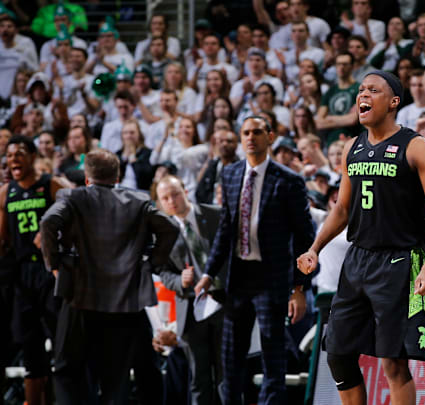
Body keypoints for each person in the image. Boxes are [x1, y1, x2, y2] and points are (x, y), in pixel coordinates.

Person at [297, 71, 425, 404]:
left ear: (393, 102)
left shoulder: (418, 147)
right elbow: (341, 210)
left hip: (400, 261)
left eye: (373, 90)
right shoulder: (352, 147)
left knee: (393, 363)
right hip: (358, 259)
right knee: (337, 353)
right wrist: (315, 248)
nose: (362, 95)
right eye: (360, 90)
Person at [40, 148, 178, 404]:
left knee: (67, 370)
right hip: (123, 303)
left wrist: (55, 264)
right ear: (117, 177)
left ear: (87, 178)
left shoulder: (71, 197)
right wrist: (150, 263)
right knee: (116, 378)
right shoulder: (139, 201)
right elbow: (170, 228)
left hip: (79, 298)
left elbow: (48, 223)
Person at [194, 116, 316, 404]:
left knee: (273, 358)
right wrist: (208, 273)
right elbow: (225, 229)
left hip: (272, 279)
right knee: (231, 360)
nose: (251, 137)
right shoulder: (232, 174)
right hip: (238, 279)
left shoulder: (290, 180)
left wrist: (299, 289)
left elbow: (304, 238)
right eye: (246, 132)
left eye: (258, 132)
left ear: (270, 136)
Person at [0, 136, 70, 405]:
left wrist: (52, 232)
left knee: (59, 340)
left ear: (32, 156)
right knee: (30, 347)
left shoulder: (50, 184)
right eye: (8, 155)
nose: (13, 159)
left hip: (48, 270)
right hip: (21, 274)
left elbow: (77, 210)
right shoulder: (7, 192)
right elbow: (3, 240)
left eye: (19, 153)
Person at [156, 175, 225, 405]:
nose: (172, 201)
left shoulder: (215, 214)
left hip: (223, 304)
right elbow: (164, 273)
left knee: (228, 377)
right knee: (199, 379)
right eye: (165, 198)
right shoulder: (162, 232)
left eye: (175, 194)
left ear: (185, 191)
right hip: (192, 311)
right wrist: (179, 281)